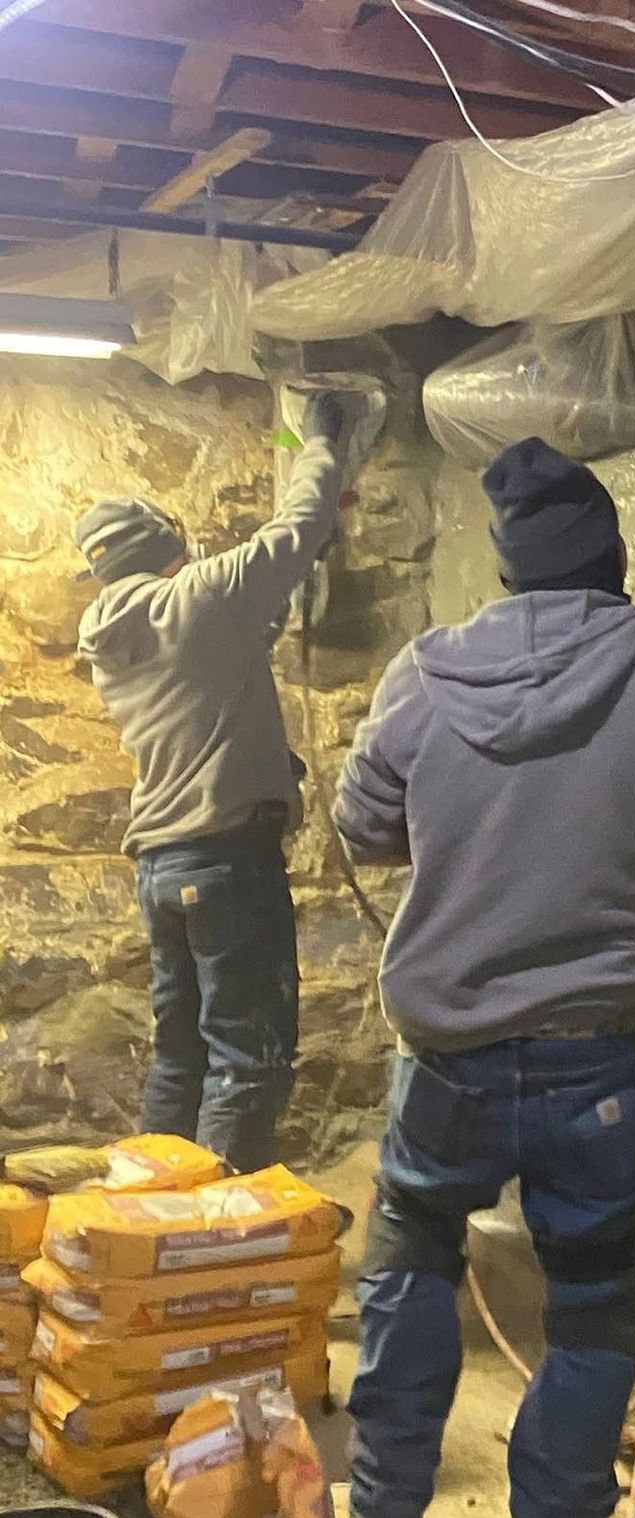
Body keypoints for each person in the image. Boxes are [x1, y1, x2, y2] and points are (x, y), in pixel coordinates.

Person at [331, 437, 635, 1518]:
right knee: (588, 1317)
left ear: (509, 571)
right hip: (603, 1075)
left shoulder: (426, 677)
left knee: (412, 1261)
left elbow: (362, 825)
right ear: (614, 563)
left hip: (449, 1060)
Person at [74, 396, 350, 1173]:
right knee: (248, 1060)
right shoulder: (200, 596)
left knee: (183, 1056)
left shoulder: (114, 633)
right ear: (170, 546)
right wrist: (318, 439)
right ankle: (214, 1240)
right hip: (226, 862)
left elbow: (216, 656)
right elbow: (296, 526)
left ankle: (154, 1219)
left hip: (163, 865)